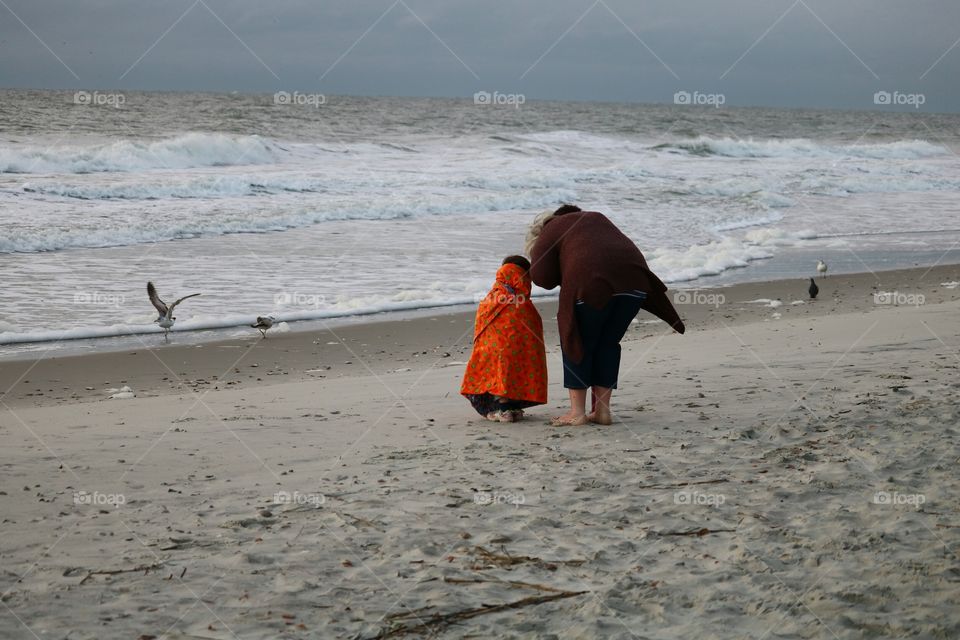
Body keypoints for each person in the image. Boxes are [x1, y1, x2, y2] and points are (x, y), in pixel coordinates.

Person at [526, 205, 685, 426]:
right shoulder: (596, 219)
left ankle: (577, 413)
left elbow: (541, 277)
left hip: (593, 284)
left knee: (577, 341)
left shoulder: (553, 226)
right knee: (607, 344)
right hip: (636, 284)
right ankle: (602, 412)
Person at [460, 256, 548, 422]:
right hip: (516, 357)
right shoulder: (524, 304)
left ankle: (503, 407)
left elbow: (480, 328)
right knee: (517, 363)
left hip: (492, 353)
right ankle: (511, 406)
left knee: (495, 365)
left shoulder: (489, 299)